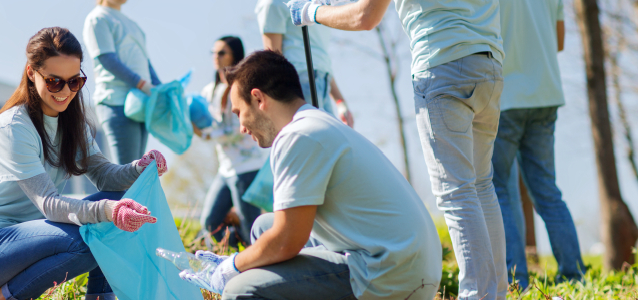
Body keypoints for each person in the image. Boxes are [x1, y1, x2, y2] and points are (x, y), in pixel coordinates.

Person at [181, 50, 441, 299]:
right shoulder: (316, 123)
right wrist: (242, 263)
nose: (241, 128)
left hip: (389, 274)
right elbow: (284, 232)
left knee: (240, 290)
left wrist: (232, 267)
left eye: (240, 113)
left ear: (259, 99)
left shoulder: (298, 136)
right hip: (407, 262)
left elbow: (286, 241)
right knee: (263, 227)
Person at [290, 0, 507, 298]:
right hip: (488, 65)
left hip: (443, 67)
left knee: (457, 192)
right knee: (481, 186)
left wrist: (310, 12)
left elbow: (365, 16)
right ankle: (495, 293)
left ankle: (478, 295)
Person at [0, 27, 166, 300]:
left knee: (119, 204)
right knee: (96, 238)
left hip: (32, 240)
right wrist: (109, 211)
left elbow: (104, 176)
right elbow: (49, 204)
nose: (65, 91)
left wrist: (139, 168)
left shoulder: (72, 124)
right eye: (54, 81)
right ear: (31, 73)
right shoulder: (14, 127)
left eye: (74, 82)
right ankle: (2, 297)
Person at [493, 0, 583, 290]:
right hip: (546, 93)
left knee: (497, 190)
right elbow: (558, 41)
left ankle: (517, 282)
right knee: (547, 192)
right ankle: (574, 277)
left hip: (505, 98)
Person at [196, 36, 266, 247]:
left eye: (221, 53)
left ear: (234, 55)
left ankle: (261, 264)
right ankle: (241, 256)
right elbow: (207, 121)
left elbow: (239, 128)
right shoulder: (209, 90)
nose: (216, 57)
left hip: (247, 166)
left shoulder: (243, 86)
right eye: (213, 53)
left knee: (251, 226)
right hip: (225, 169)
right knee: (210, 222)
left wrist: (207, 135)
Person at [83, 0, 162, 164]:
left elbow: (145, 63)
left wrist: (160, 89)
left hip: (142, 103)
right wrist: (142, 84)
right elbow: (107, 59)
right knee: (127, 173)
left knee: (137, 172)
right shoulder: (98, 18)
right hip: (117, 102)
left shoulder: (133, 24)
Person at [254, 0, 353, 127]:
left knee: (327, 142)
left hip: (322, 81)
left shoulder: (316, 4)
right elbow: (273, 61)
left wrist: (340, 101)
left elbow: (319, 59)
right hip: (298, 81)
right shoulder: (273, 3)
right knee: (316, 140)